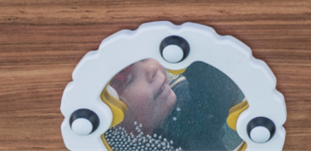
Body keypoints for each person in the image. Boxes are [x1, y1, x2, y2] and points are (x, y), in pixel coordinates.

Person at [104, 58, 245, 151]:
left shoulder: (183, 110)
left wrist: (189, 59)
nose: (151, 69)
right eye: (131, 79)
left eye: (144, 58)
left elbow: (218, 94)